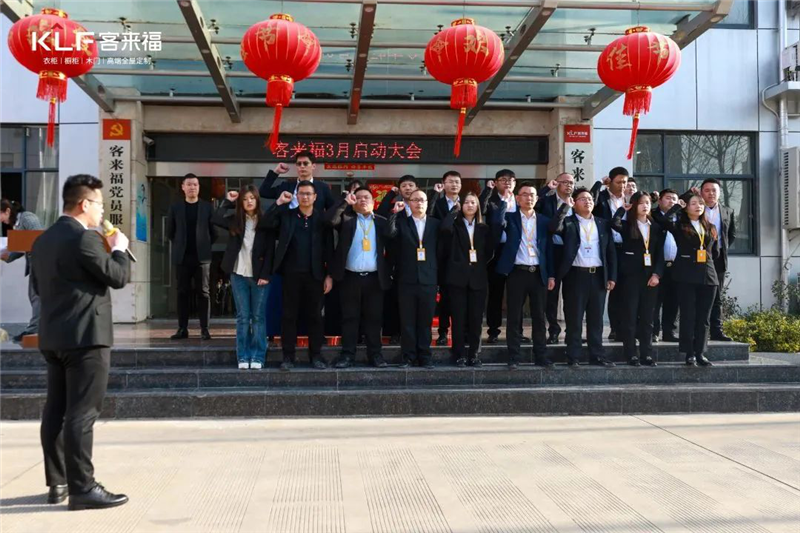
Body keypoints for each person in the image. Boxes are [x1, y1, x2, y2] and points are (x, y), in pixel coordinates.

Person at [31, 174, 130, 510]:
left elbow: (39, 289)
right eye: (99, 204)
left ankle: (57, 483)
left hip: (53, 336)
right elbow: (117, 277)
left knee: (55, 410)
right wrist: (119, 249)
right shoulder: (85, 238)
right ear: (84, 204)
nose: (102, 211)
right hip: (86, 337)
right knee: (82, 413)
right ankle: (83, 488)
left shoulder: (43, 241)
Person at [264, 184, 334, 371]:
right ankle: (288, 356)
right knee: (289, 316)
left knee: (315, 317)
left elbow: (329, 248)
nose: (305, 197)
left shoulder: (322, 219)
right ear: (296, 196)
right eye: (301, 193)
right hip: (290, 274)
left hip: (315, 275)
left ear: (315, 197)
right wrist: (278, 203)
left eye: (308, 194)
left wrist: (329, 275)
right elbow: (265, 223)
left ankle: (316, 355)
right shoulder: (287, 215)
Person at [550, 188, 618, 367]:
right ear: (574, 202)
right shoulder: (569, 222)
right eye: (582, 199)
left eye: (590, 199)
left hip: (598, 276)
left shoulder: (602, 223)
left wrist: (611, 276)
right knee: (574, 318)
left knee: (596, 319)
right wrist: (565, 208)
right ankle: (573, 355)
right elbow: (554, 228)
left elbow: (610, 252)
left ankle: (597, 355)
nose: (587, 201)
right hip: (575, 275)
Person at [325, 188, 392, 368]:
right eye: (359, 198)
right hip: (350, 277)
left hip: (375, 278)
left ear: (373, 202)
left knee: (374, 318)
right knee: (349, 318)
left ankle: (375, 355)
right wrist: (344, 202)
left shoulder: (381, 222)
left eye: (367, 197)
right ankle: (347, 355)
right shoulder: (347, 220)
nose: (363, 200)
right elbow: (329, 220)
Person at [492, 183, 556, 369]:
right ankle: (514, 356)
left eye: (532, 195)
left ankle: (541, 355)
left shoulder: (544, 220)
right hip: (517, 272)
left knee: (539, 317)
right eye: (525, 194)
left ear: (537, 199)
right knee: (514, 317)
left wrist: (551, 275)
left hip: (538, 273)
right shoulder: (510, 218)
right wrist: (504, 203)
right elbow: (496, 223)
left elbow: (548, 250)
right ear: (518, 198)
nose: (529, 198)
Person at [653, 193, 720, 366]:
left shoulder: (711, 227)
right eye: (694, 203)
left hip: (708, 276)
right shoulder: (679, 226)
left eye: (701, 203)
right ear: (686, 207)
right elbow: (664, 220)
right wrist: (677, 206)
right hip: (686, 275)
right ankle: (689, 352)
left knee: (704, 317)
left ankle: (700, 352)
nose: (698, 206)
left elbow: (715, 252)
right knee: (688, 315)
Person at [212, 186, 274, 370]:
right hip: (238, 273)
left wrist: (266, 274)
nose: (249, 202)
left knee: (258, 317)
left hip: (259, 276)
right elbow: (215, 218)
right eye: (245, 199)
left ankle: (258, 356)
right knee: (242, 317)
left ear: (257, 200)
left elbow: (271, 250)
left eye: (252, 198)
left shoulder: (265, 221)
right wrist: (227, 201)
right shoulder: (235, 221)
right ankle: (243, 356)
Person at [439, 192, 494, 367]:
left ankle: (474, 354)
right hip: (457, 278)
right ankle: (459, 354)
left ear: (478, 206)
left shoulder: (483, 228)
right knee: (458, 319)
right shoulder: (454, 226)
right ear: (460, 205)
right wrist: (453, 211)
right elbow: (444, 230)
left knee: (476, 319)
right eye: (466, 202)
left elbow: (489, 252)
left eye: (473, 202)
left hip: (478, 278)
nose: (470, 205)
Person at [387, 189, 440, 368]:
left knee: (425, 321)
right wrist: (394, 214)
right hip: (406, 278)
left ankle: (425, 356)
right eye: (415, 200)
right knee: (407, 321)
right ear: (409, 203)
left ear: (427, 203)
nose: (419, 203)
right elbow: (389, 235)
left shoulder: (435, 224)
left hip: (429, 278)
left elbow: (441, 250)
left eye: (422, 200)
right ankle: (408, 356)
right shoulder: (402, 222)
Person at [610, 192, 665, 366]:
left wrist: (657, 274)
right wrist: (622, 210)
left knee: (648, 318)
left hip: (651, 278)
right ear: (634, 205)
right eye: (641, 203)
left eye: (647, 202)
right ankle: (631, 354)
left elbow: (660, 254)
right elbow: (614, 223)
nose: (645, 206)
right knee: (630, 317)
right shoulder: (627, 225)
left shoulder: (655, 227)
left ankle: (646, 354)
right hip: (631, 277)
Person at [684, 179, 735, 341]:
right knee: (695, 298)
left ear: (719, 193)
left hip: (717, 259)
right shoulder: (696, 209)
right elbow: (680, 206)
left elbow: (731, 234)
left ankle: (716, 330)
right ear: (701, 192)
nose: (711, 193)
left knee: (716, 297)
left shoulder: (728, 211)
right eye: (707, 190)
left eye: (714, 190)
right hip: (696, 259)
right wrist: (689, 193)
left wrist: (718, 249)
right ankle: (695, 332)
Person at [166, 173, 216, 340]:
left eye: (195, 184)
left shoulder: (207, 207)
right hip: (182, 257)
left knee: (204, 293)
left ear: (199, 187)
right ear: (183, 187)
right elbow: (170, 232)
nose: (192, 187)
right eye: (189, 184)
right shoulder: (175, 207)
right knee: (182, 293)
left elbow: (214, 232)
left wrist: (204, 244)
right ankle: (182, 329)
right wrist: (180, 244)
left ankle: (205, 329)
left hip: (202, 258)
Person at [481, 169, 525, 344]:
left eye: (511, 180)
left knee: (518, 295)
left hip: (518, 251)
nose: (507, 183)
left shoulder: (521, 200)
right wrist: (488, 191)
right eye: (503, 179)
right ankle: (493, 330)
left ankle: (517, 331)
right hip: (497, 251)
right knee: (496, 293)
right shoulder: (492, 201)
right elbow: (482, 210)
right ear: (496, 182)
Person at [375, 175, 418, 344]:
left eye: (410, 185)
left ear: (416, 188)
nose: (407, 188)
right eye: (404, 186)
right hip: (396, 260)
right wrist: (390, 195)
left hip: (416, 260)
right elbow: (380, 216)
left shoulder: (420, 206)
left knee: (413, 300)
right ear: (400, 189)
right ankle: (394, 332)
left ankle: (411, 333)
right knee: (395, 298)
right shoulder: (394, 207)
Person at [535, 173, 574, 344]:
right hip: (553, 251)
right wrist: (546, 189)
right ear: (557, 183)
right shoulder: (547, 201)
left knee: (572, 295)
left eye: (571, 182)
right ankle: (553, 330)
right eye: (565, 182)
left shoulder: (577, 202)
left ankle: (573, 330)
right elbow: (532, 203)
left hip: (573, 253)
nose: (569, 185)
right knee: (552, 294)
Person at [591, 167, 629, 342]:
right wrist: (599, 183)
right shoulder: (602, 198)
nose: (622, 186)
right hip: (606, 247)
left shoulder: (629, 199)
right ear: (610, 182)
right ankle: (609, 328)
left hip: (626, 247)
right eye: (619, 182)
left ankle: (621, 328)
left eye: (625, 182)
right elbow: (590, 201)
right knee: (607, 287)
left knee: (623, 290)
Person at [0, 199, 43, 343]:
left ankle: (34, 330)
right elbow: (22, 247)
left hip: (40, 264)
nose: (1, 220)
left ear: (7, 211)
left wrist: (10, 251)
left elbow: (39, 240)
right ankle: (35, 328)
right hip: (35, 265)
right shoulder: (18, 223)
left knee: (37, 297)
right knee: (34, 296)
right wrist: (7, 256)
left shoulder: (28, 218)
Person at [428, 171, 462, 346]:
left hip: (462, 256)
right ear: (443, 183)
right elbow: (430, 217)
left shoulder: (468, 202)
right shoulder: (439, 204)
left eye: (457, 182)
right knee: (445, 298)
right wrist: (435, 194)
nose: (454, 185)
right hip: (442, 256)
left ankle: (461, 332)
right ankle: (442, 332)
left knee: (461, 297)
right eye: (450, 181)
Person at [259, 150, 335, 211]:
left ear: (313, 166)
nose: (302, 166)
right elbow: (263, 192)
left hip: (314, 225)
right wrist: (276, 172)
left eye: (305, 163)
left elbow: (332, 211)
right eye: (299, 164)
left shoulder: (323, 188)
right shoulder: (286, 186)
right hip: (289, 225)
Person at [652, 189, 680, 343]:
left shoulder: (681, 218)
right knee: (654, 301)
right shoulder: (653, 216)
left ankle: (669, 332)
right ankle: (653, 331)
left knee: (673, 301)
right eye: (668, 198)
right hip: (657, 265)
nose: (672, 201)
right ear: (660, 200)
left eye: (674, 199)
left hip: (676, 265)